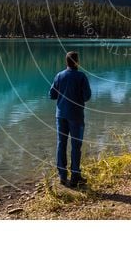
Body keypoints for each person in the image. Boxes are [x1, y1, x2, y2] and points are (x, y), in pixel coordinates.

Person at [49, 51, 91, 187]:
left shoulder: (59, 76)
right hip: (76, 116)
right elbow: (87, 97)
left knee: (61, 143)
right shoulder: (81, 77)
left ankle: (62, 176)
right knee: (76, 146)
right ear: (77, 62)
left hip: (60, 115)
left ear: (66, 62)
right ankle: (75, 176)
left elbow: (52, 95)